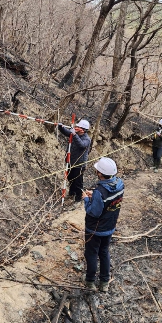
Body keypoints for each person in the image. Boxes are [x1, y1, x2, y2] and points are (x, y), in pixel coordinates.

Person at [82, 157, 124, 292]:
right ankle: (104, 282)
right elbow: (108, 201)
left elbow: (94, 212)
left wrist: (87, 199)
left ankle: (90, 281)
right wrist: (94, 196)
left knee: (91, 253)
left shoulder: (100, 191)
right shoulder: (120, 184)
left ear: (100, 173)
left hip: (95, 229)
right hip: (110, 226)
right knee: (104, 252)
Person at [58, 119, 91, 202]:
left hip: (79, 164)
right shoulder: (74, 134)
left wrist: (74, 134)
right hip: (70, 162)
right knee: (70, 178)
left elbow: (82, 145)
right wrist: (61, 127)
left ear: (83, 130)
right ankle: (72, 194)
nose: (76, 128)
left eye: (78, 127)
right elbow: (66, 132)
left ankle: (79, 197)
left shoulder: (87, 139)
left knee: (78, 181)